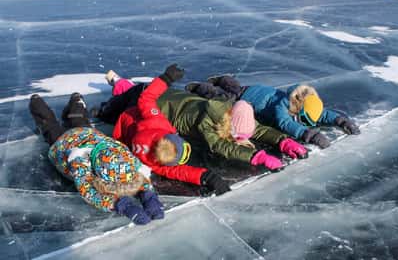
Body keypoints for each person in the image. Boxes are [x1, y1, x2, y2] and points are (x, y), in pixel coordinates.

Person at [93, 70, 308, 176]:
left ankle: (122, 84)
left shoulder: (232, 113)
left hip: (169, 96)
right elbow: (219, 145)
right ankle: (117, 83)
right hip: (146, 103)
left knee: (132, 89)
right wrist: (256, 156)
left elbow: (255, 129)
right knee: (112, 109)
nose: (244, 139)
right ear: (229, 124)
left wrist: (283, 141)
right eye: (239, 136)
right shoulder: (208, 121)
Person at [29, 92, 164, 225]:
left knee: (80, 121)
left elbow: (136, 173)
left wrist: (147, 194)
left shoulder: (125, 158)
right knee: (51, 128)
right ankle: (38, 104)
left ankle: (76, 101)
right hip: (64, 144)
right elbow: (87, 190)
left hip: (88, 136)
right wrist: (120, 204)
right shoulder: (80, 161)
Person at [111, 64, 231, 196]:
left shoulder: (156, 122)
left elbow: (146, 99)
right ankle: (113, 96)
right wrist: (204, 176)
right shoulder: (153, 162)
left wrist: (166, 78)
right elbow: (178, 172)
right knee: (118, 102)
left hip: (131, 115)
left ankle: (118, 85)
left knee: (134, 92)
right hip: (122, 127)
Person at [185, 75, 360, 149]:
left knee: (234, 86)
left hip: (257, 89)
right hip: (246, 97)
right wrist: (309, 135)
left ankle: (223, 79)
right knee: (223, 96)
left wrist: (341, 121)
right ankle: (203, 87)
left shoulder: (301, 102)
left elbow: (322, 114)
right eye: (303, 119)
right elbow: (285, 123)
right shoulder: (281, 107)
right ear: (297, 108)